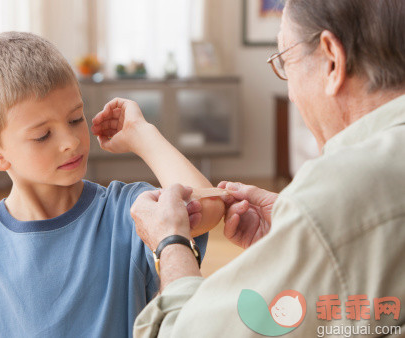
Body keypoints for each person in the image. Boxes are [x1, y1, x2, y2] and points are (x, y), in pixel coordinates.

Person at [131, 0, 405, 337]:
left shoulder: (341, 190)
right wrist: (295, 234)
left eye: (286, 62)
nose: (290, 94)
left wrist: (170, 244)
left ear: (332, 59)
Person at [0, 32, 225, 337]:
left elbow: (208, 206)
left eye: (75, 119)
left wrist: (143, 134)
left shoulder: (130, 211)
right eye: (43, 135)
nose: (70, 142)